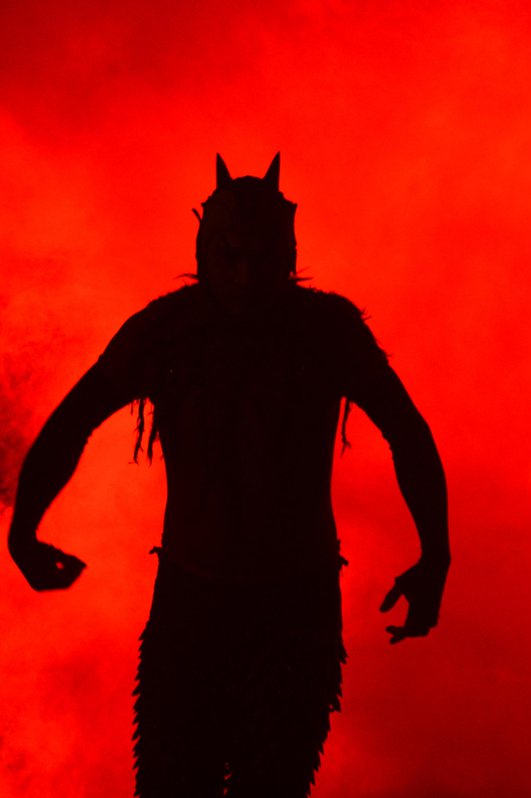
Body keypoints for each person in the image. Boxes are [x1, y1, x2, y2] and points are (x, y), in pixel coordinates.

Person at [7, 154, 450, 797]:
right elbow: (72, 421)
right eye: (231, 257)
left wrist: (436, 555)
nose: (245, 277)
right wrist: (23, 530)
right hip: (193, 601)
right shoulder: (167, 333)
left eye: (263, 260)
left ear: (288, 258)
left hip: (294, 607)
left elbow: (408, 432)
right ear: (204, 254)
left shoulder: (325, 332)